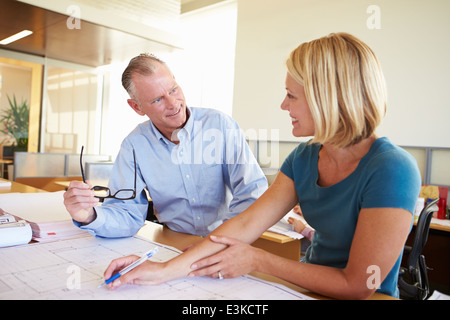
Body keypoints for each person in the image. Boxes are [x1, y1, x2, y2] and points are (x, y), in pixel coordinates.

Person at [102, 33, 421, 299]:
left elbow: (359, 286)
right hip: (306, 287)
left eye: (291, 95)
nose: (284, 105)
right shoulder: (304, 157)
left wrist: (257, 259)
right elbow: (245, 224)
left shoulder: (392, 168)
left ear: (325, 98)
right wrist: (163, 270)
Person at [63, 54, 268, 238]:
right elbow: (126, 213)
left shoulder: (220, 125)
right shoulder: (134, 146)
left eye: (173, 89)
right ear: (137, 107)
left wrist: (221, 240)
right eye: (158, 99)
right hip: (174, 242)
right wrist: (89, 215)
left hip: (228, 239)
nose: (173, 103)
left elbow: (252, 191)